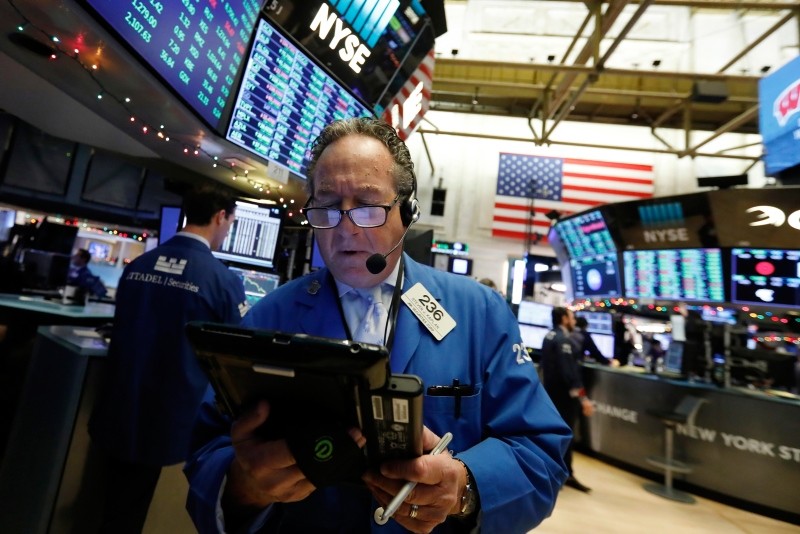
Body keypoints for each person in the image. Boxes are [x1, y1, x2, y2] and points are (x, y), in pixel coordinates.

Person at [184, 117, 571, 533]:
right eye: (327, 207)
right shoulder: (269, 316)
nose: (345, 228)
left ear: (407, 211)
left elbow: (541, 456)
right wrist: (244, 487)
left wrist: (464, 487)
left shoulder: (480, 313)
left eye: (368, 205)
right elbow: (208, 449)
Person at [87, 183, 249, 533]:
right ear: (221, 217)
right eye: (230, 223)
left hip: (117, 411)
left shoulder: (138, 265)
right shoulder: (222, 281)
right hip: (171, 427)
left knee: (109, 506)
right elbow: (236, 356)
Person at [541, 307, 595, 493]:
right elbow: (569, 374)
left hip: (550, 396)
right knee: (565, 436)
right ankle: (561, 475)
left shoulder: (548, 336)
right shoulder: (564, 341)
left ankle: (560, 473)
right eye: (572, 317)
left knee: (554, 435)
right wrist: (584, 399)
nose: (574, 321)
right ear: (564, 319)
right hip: (564, 398)